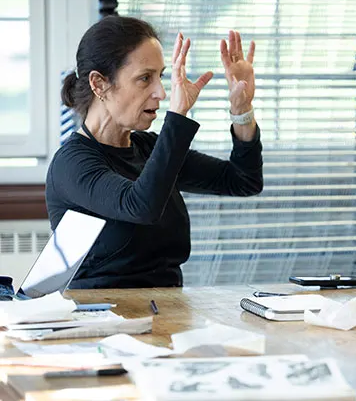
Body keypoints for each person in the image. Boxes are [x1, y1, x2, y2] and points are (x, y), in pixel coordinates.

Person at [46, 16, 263, 289]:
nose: (160, 92)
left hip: (168, 311)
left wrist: (242, 111)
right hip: (101, 320)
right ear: (99, 84)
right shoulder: (72, 163)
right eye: (145, 78)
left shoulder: (149, 148)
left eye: (160, 76)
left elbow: (243, 181)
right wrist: (178, 116)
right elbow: (140, 205)